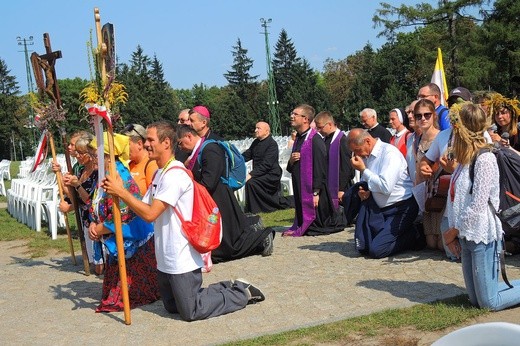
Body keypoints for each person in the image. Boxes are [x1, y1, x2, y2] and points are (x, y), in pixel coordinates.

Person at [102, 120, 265, 321]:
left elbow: (151, 214)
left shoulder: (175, 176)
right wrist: (122, 190)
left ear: (166, 143)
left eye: (151, 140)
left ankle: (242, 292)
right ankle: (224, 287)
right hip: (164, 255)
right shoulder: (160, 174)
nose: (146, 145)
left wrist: (121, 193)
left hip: (181, 255)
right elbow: (140, 207)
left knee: (191, 311)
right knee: (171, 307)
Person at [443, 103, 520, 311]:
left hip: (482, 233)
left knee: (488, 303)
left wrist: (452, 232)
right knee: (476, 301)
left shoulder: (485, 159)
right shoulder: (463, 161)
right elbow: (456, 200)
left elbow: (477, 206)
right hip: (466, 235)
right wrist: (455, 232)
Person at [177, 125, 274, 262]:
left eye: (180, 143)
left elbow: (209, 181)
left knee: (230, 247)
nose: (180, 147)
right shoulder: (197, 152)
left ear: (189, 136)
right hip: (212, 200)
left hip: (220, 199)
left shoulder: (210, 149)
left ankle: (262, 236)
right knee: (223, 245)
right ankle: (252, 224)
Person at [87, 133, 159, 312]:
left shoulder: (120, 178)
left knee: (130, 292)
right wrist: (92, 223)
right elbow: (96, 204)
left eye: (96, 155)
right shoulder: (103, 176)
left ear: (107, 157)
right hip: (113, 237)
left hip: (133, 241)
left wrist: (100, 228)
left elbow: (122, 215)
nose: (92, 159)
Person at [346, 128, 422, 258]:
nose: (357, 154)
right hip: (381, 209)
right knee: (365, 244)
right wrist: (365, 191)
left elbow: (386, 186)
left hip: (401, 207)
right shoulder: (367, 156)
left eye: (357, 150)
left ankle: (415, 234)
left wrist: (364, 170)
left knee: (377, 249)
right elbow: (370, 182)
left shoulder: (389, 154)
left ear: (368, 141)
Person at [283, 104, 346, 237]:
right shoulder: (299, 138)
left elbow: (320, 167)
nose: (291, 116)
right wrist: (291, 161)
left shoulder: (314, 139)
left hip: (314, 189)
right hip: (300, 185)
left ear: (305, 119)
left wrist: (316, 192)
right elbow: (291, 167)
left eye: (295, 114)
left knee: (317, 225)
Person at [58, 134, 102, 274]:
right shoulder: (82, 170)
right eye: (77, 153)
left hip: (94, 218)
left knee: (99, 268)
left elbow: (88, 199)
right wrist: (61, 177)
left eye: (81, 153)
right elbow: (75, 197)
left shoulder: (97, 173)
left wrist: (77, 185)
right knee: (93, 264)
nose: (77, 156)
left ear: (90, 154)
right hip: (85, 218)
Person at [242, 121, 293, 213]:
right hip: (261, 173)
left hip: (271, 174)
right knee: (251, 182)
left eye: (258, 128)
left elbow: (267, 164)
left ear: (267, 131)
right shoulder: (256, 142)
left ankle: (255, 208)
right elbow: (247, 155)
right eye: (256, 128)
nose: (255, 130)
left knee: (251, 183)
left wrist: (251, 174)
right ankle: (253, 207)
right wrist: (234, 159)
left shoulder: (272, 144)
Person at [412, 99, 442, 251]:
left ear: (434, 116)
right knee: (430, 243)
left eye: (427, 115)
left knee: (440, 244)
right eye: (419, 116)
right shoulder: (416, 139)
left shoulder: (442, 137)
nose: (423, 118)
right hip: (425, 192)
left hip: (440, 192)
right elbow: (417, 167)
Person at [314, 111, 354, 208]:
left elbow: (346, 167)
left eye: (320, 127)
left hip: (340, 185)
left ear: (330, 124)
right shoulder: (325, 139)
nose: (318, 130)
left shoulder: (342, 141)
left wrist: (341, 189)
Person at [121, 123, 158, 195]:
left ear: (139, 144)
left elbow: (153, 199)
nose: (124, 149)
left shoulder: (151, 165)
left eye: (127, 145)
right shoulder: (129, 164)